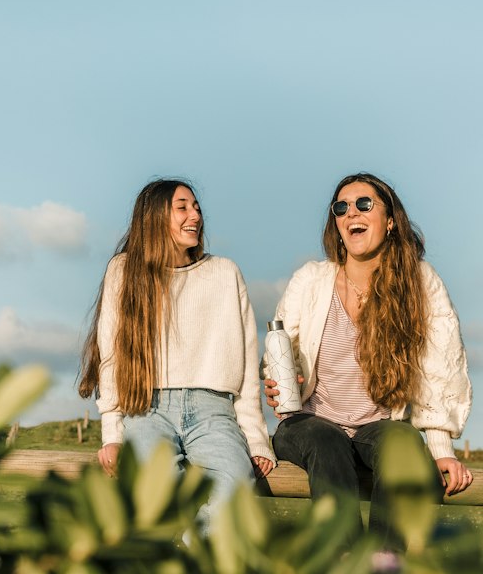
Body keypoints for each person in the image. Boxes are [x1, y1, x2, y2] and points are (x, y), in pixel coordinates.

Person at [265, 171, 473, 545]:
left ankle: (383, 564)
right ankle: (343, 560)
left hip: (376, 427)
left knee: (402, 443)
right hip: (309, 423)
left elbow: (441, 369)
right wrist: (280, 382)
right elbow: (280, 356)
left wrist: (442, 450)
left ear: (390, 221)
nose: (351, 213)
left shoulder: (420, 282)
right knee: (325, 440)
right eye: (340, 207)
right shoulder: (310, 281)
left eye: (364, 204)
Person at [78, 178, 274, 521]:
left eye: (196, 207)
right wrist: (112, 433)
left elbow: (245, 371)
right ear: (154, 218)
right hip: (146, 410)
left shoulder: (225, 273)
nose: (194, 215)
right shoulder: (124, 272)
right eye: (182, 207)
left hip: (214, 412)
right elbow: (110, 358)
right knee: (157, 496)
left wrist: (257, 440)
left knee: (236, 489)